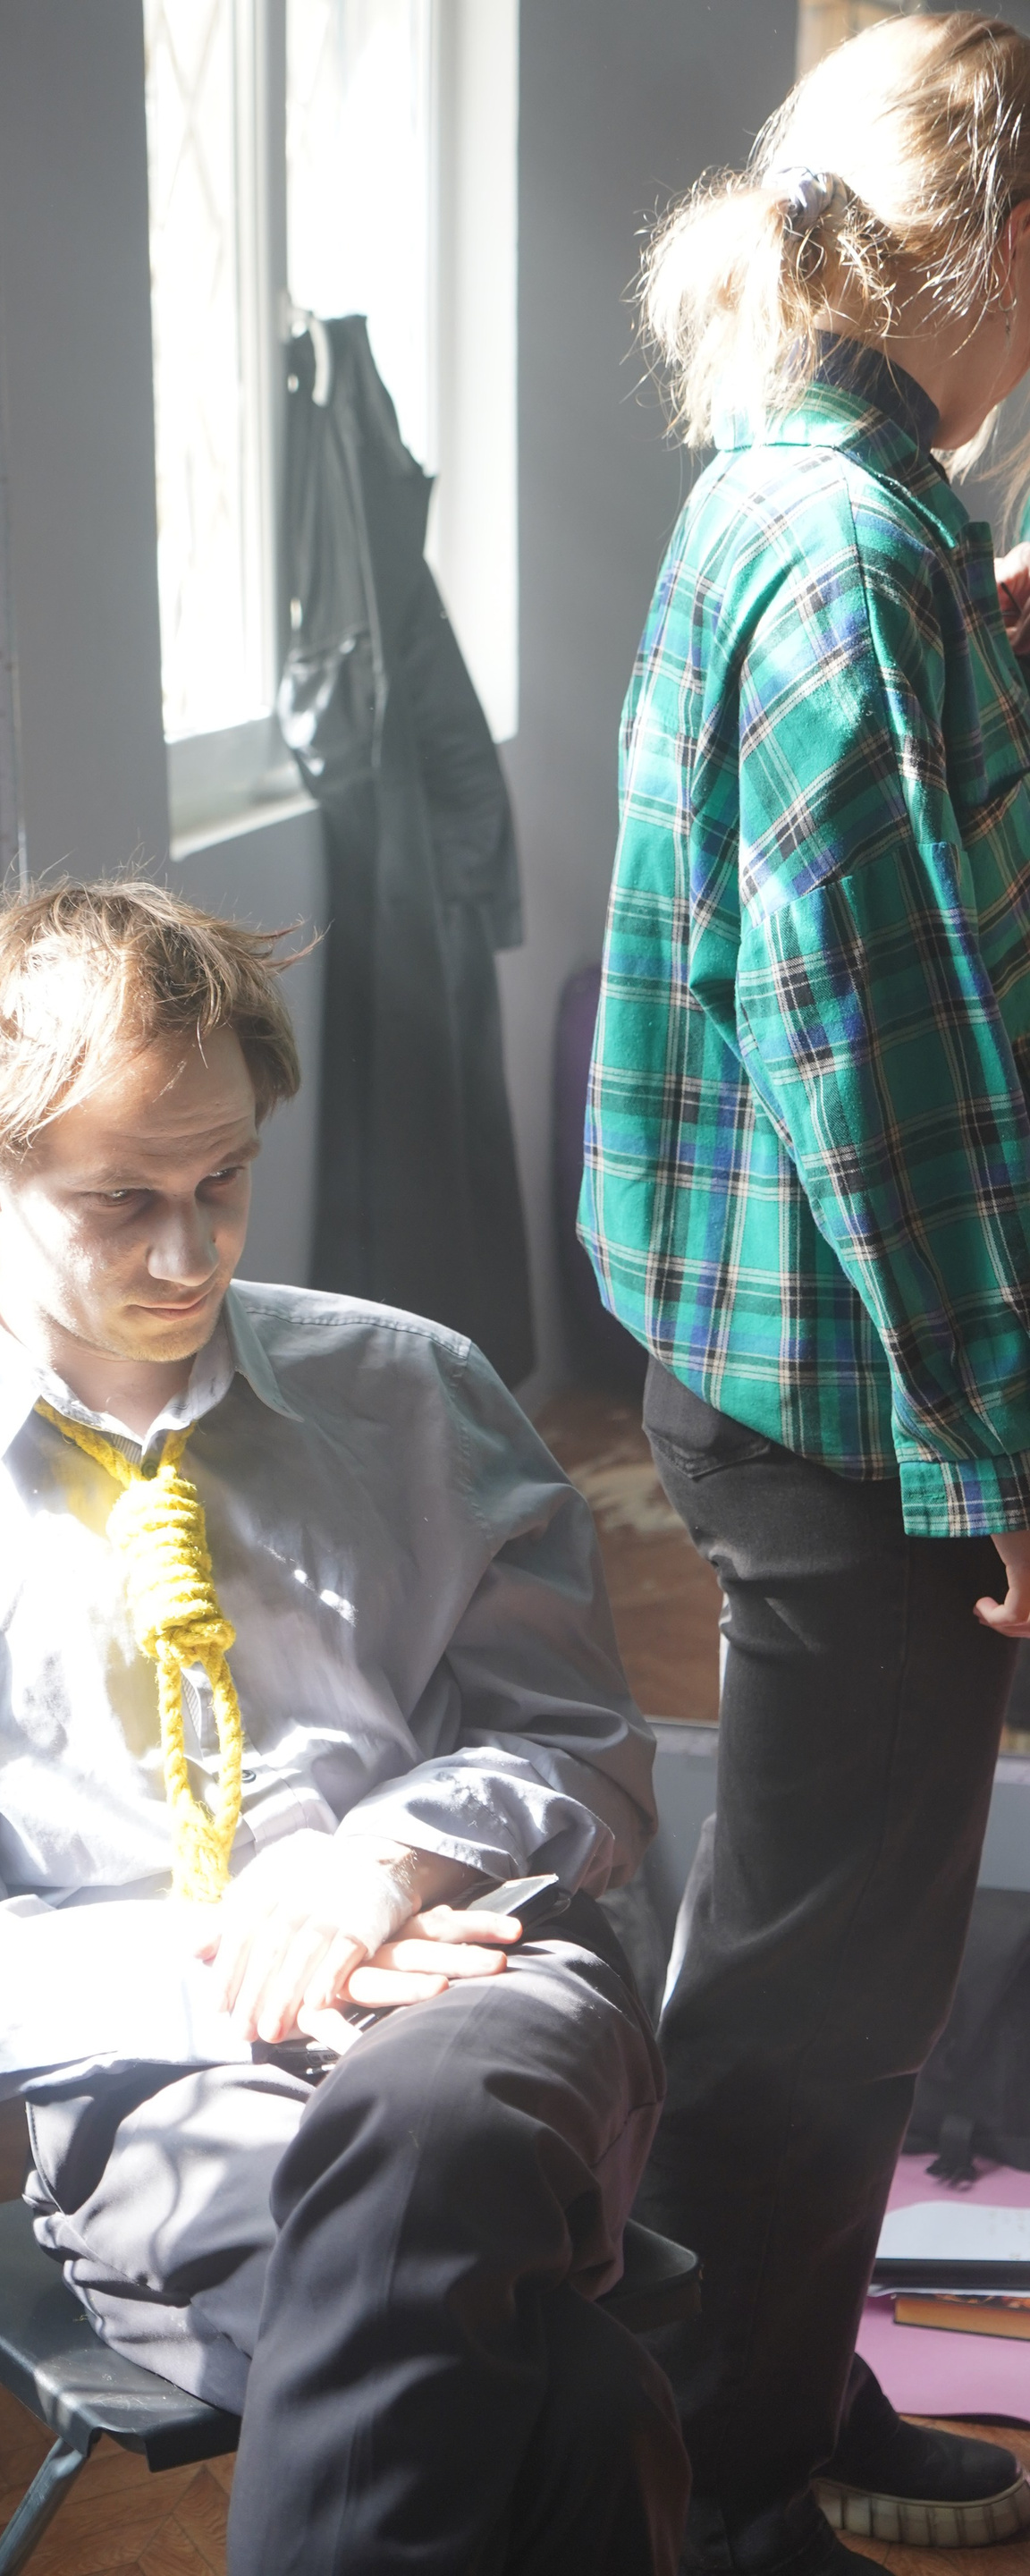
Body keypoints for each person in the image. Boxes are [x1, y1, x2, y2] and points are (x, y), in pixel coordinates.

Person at [0, 880, 687, 2575]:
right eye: (122, 1201)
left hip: (489, 1990)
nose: (191, 1254)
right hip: (168, 2107)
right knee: (571, 2399)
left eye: (224, 1181)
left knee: (441, 2128)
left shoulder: (413, 1391)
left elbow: (591, 1756)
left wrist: (381, 1866)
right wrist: (238, 1969)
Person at [582, 16, 1030, 2573]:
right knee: (818, 1982)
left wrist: (990, 640)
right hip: (853, 1396)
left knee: (824, 1955)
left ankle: (774, 2384)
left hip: (773, 1354)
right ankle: (716, 2488)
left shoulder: (820, 492)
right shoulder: (857, 556)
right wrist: (1005, 1450)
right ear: (994, 248)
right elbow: (887, 1063)